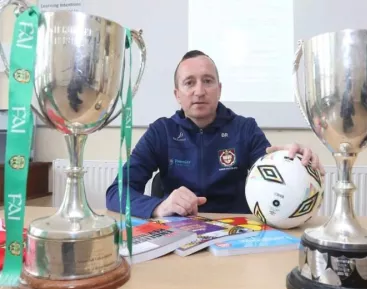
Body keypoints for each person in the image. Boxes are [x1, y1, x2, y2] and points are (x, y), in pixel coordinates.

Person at [105, 50, 325, 219]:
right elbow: (116, 192)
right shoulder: (160, 132)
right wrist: (158, 206)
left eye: (207, 81)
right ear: (177, 95)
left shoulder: (245, 129)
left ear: (219, 89)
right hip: (180, 236)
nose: (199, 91)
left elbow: (273, 175)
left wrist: (294, 164)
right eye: (189, 83)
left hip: (237, 235)